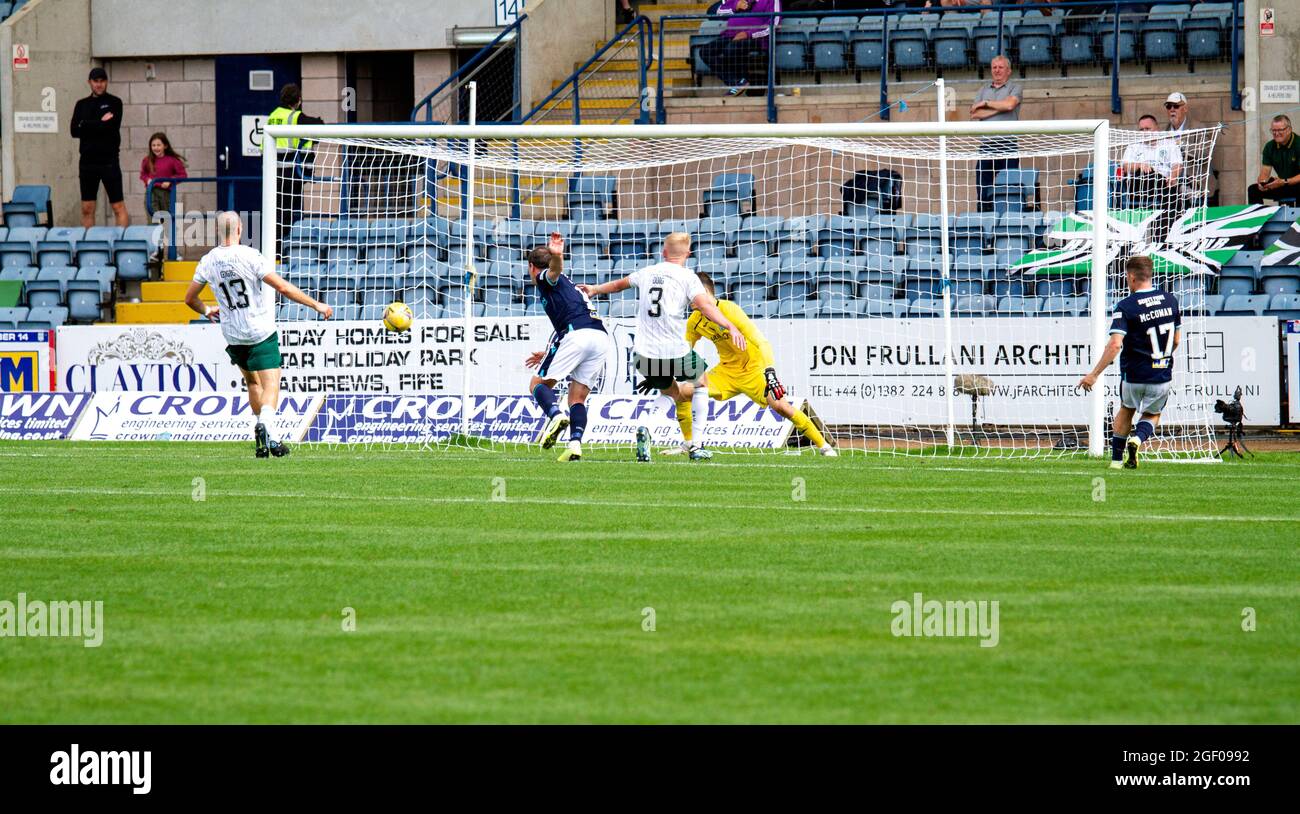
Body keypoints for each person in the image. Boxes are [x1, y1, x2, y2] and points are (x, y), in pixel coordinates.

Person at [579, 232, 746, 461]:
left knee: (671, 392)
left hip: (644, 353)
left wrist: (595, 289)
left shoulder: (647, 272)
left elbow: (619, 285)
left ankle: (646, 427)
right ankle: (696, 445)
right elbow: (704, 306)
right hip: (674, 350)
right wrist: (730, 326)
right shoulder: (688, 277)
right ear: (688, 254)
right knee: (701, 383)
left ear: (663, 252)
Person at [184, 212, 334, 458]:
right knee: (271, 382)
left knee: (252, 382)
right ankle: (267, 426)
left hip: (232, 334)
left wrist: (207, 309)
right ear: (240, 229)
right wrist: (316, 304)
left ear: (217, 231)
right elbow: (283, 288)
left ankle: (266, 438)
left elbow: (189, 298)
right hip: (259, 330)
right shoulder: (250, 256)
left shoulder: (208, 261)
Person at [673, 271, 837, 456]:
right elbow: (683, 350)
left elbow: (762, 343)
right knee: (682, 393)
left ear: (702, 292)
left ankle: (824, 446)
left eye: (690, 293)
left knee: (781, 407)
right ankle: (689, 443)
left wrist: (770, 373)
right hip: (727, 373)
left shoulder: (730, 310)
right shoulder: (695, 321)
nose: (687, 299)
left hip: (754, 370)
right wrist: (662, 373)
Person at [1078, 255, 1180, 470]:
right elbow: (1177, 340)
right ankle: (1138, 439)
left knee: (1126, 409)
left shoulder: (1126, 305)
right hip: (1161, 373)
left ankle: (1116, 461)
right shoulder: (1171, 300)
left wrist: (1094, 374)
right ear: (1149, 275)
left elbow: (1115, 345)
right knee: (1153, 414)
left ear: (1131, 277)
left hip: (1134, 374)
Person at [523, 233, 613, 462]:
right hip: (599, 337)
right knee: (577, 398)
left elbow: (553, 271)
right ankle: (574, 446)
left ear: (532, 266)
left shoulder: (546, 278)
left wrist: (557, 255)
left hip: (576, 335)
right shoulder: (570, 287)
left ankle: (555, 415)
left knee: (537, 384)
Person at [264, 84, 325, 264]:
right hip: (292, 171)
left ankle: (276, 249)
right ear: (298, 101)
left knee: (277, 210)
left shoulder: (273, 116)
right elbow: (319, 125)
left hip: (274, 172)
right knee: (291, 211)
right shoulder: (296, 116)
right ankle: (287, 250)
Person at [70, 67, 128, 229]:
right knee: (87, 208)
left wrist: (86, 125)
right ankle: (89, 248)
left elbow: (111, 127)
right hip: (88, 163)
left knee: (118, 206)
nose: (99, 84)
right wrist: (100, 122)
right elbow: (74, 131)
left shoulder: (115, 102)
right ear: (90, 82)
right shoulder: (81, 105)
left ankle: (122, 247)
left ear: (106, 82)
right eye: (96, 81)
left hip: (109, 161)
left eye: (102, 81)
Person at [970, 55, 1022, 211]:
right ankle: (984, 227)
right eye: (994, 67)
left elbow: (1010, 105)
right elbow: (974, 114)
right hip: (986, 146)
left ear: (1009, 70)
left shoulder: (1015, 87)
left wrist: (986, 104)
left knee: (1009, 189)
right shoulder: (983, 89)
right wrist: (1000, 107)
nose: (997, 70)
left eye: (1001, 67)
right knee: (983, 191)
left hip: (1008, 145)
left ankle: (1008, 225)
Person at [698, 0, 782, 97]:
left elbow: (775, 24)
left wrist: (748, 34)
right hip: (730, 35)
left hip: (756, 38)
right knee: (705, 51)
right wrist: (735, 6)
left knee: (731, 49)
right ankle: (737, 83)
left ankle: (748, 83)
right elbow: (714, 11)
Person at [1119, 114, 1182, 236]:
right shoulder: (1134, 145)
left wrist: (1173, 176)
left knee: (1171, 189)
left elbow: (1177, 164)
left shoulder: (1169, 143)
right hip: (1139, 184)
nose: (1144, 132)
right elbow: (1125, 166)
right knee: (1144, 174)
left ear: (1157, 129)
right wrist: (1139, 165)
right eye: (1141, 129)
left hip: (1163, 183)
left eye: (1148, 129)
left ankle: (1168, 233)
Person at [1163, 91, 1218, 205]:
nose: (1172, 109)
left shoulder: (1198, 128)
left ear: (1185, 109)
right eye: (1169, 106)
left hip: (1197, 185)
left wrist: (1182, 144)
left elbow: (1206, 153)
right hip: (1174, 187)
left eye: (1176, 106)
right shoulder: (1165, 131)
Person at [1247, 114, 1300, 206]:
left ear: (1289, 130)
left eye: (1280, 130)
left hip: (1296, 183)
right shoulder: (1269, 146)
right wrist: (1262, 183)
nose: (1276, 133)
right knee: (1253, 189)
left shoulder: (1298, 144)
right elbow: (1265, 173)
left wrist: (1284, 181)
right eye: (1273, 130)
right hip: (1282, 184)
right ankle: (1259, 218)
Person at [139, 132, 188, 218]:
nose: (156, 147)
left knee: (167, 221)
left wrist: (170, 181)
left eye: (158, 145)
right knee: (154, 220)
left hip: (167, 194)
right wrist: (147, 180)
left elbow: (183, 175)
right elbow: (143, 174)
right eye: (153, 145)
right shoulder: (147, 160)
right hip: (151, 192)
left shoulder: (172, 160)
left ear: (165, 146)